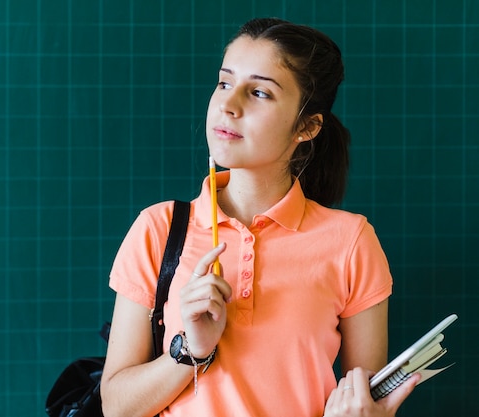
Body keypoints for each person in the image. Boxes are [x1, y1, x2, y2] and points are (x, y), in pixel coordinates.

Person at [101, 17, 417, 417]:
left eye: (260, 93)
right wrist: (190, 350)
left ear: (307, 126)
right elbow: (115, 408)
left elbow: (362, 400)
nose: (228, 106)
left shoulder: (351, 241)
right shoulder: (157, 228)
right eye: (223, 83)